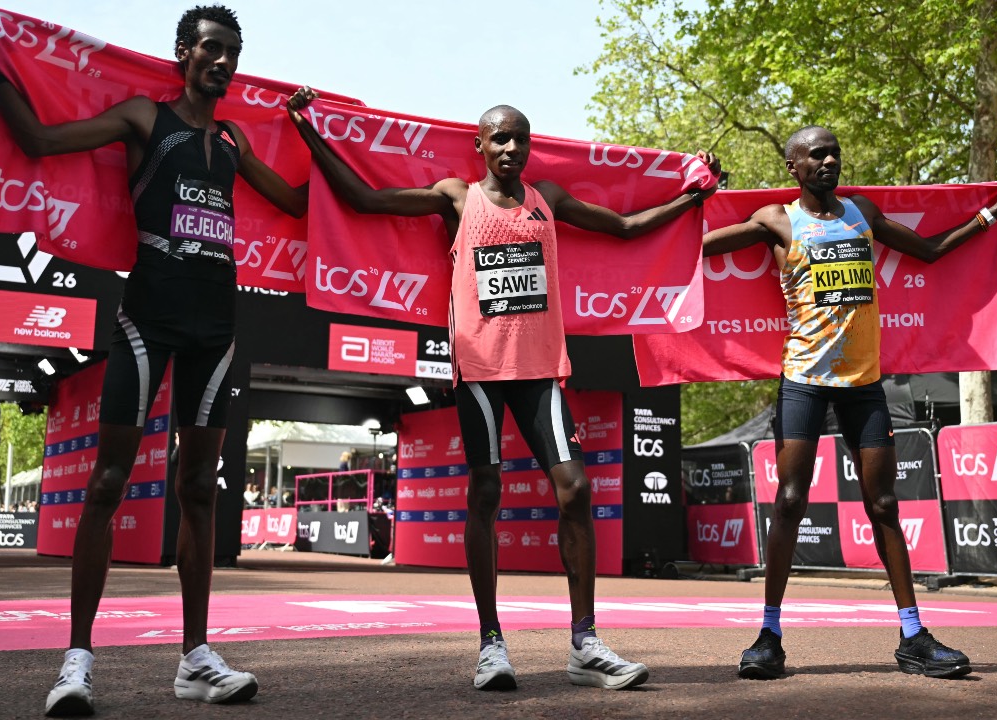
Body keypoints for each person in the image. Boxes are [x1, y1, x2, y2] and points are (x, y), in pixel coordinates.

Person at [287, 89, 717, 691]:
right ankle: (491, 643)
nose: (512, 147)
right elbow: (363, 199)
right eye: (501, 138)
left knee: (575, 490)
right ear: (480, 145)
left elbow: (623, 227)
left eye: (522, 138)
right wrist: (309, 131)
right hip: (481, 371)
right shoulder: (456, 198)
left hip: (541, 370)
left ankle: (584, 643)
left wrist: (692, 195)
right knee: (485, 492)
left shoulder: (549, 200)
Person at [0, 2, 309, 715]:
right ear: (183, 52)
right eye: (210, 48)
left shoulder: (236, 142)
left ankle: (195, 659)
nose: (222, 61)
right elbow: (38, 137)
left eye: (232, 52)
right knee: (108, 481)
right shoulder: (143, 120)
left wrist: (315, 130)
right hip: (148, 319)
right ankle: (77, 662)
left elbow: (298, 201)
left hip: (216, 328)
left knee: (199, 491)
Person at [700, 125, 997, 680]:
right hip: (804, 380)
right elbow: (693, 250)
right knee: (791, 501)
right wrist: (697, 196)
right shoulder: (775, 221)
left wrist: (993, 213)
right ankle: (768, 638)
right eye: (815, 155)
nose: (829, 161)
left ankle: (914, 635)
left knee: (883, 506)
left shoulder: (862, 213)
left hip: (864, 384)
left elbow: (929, 250)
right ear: (792, 167)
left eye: (834, 153)